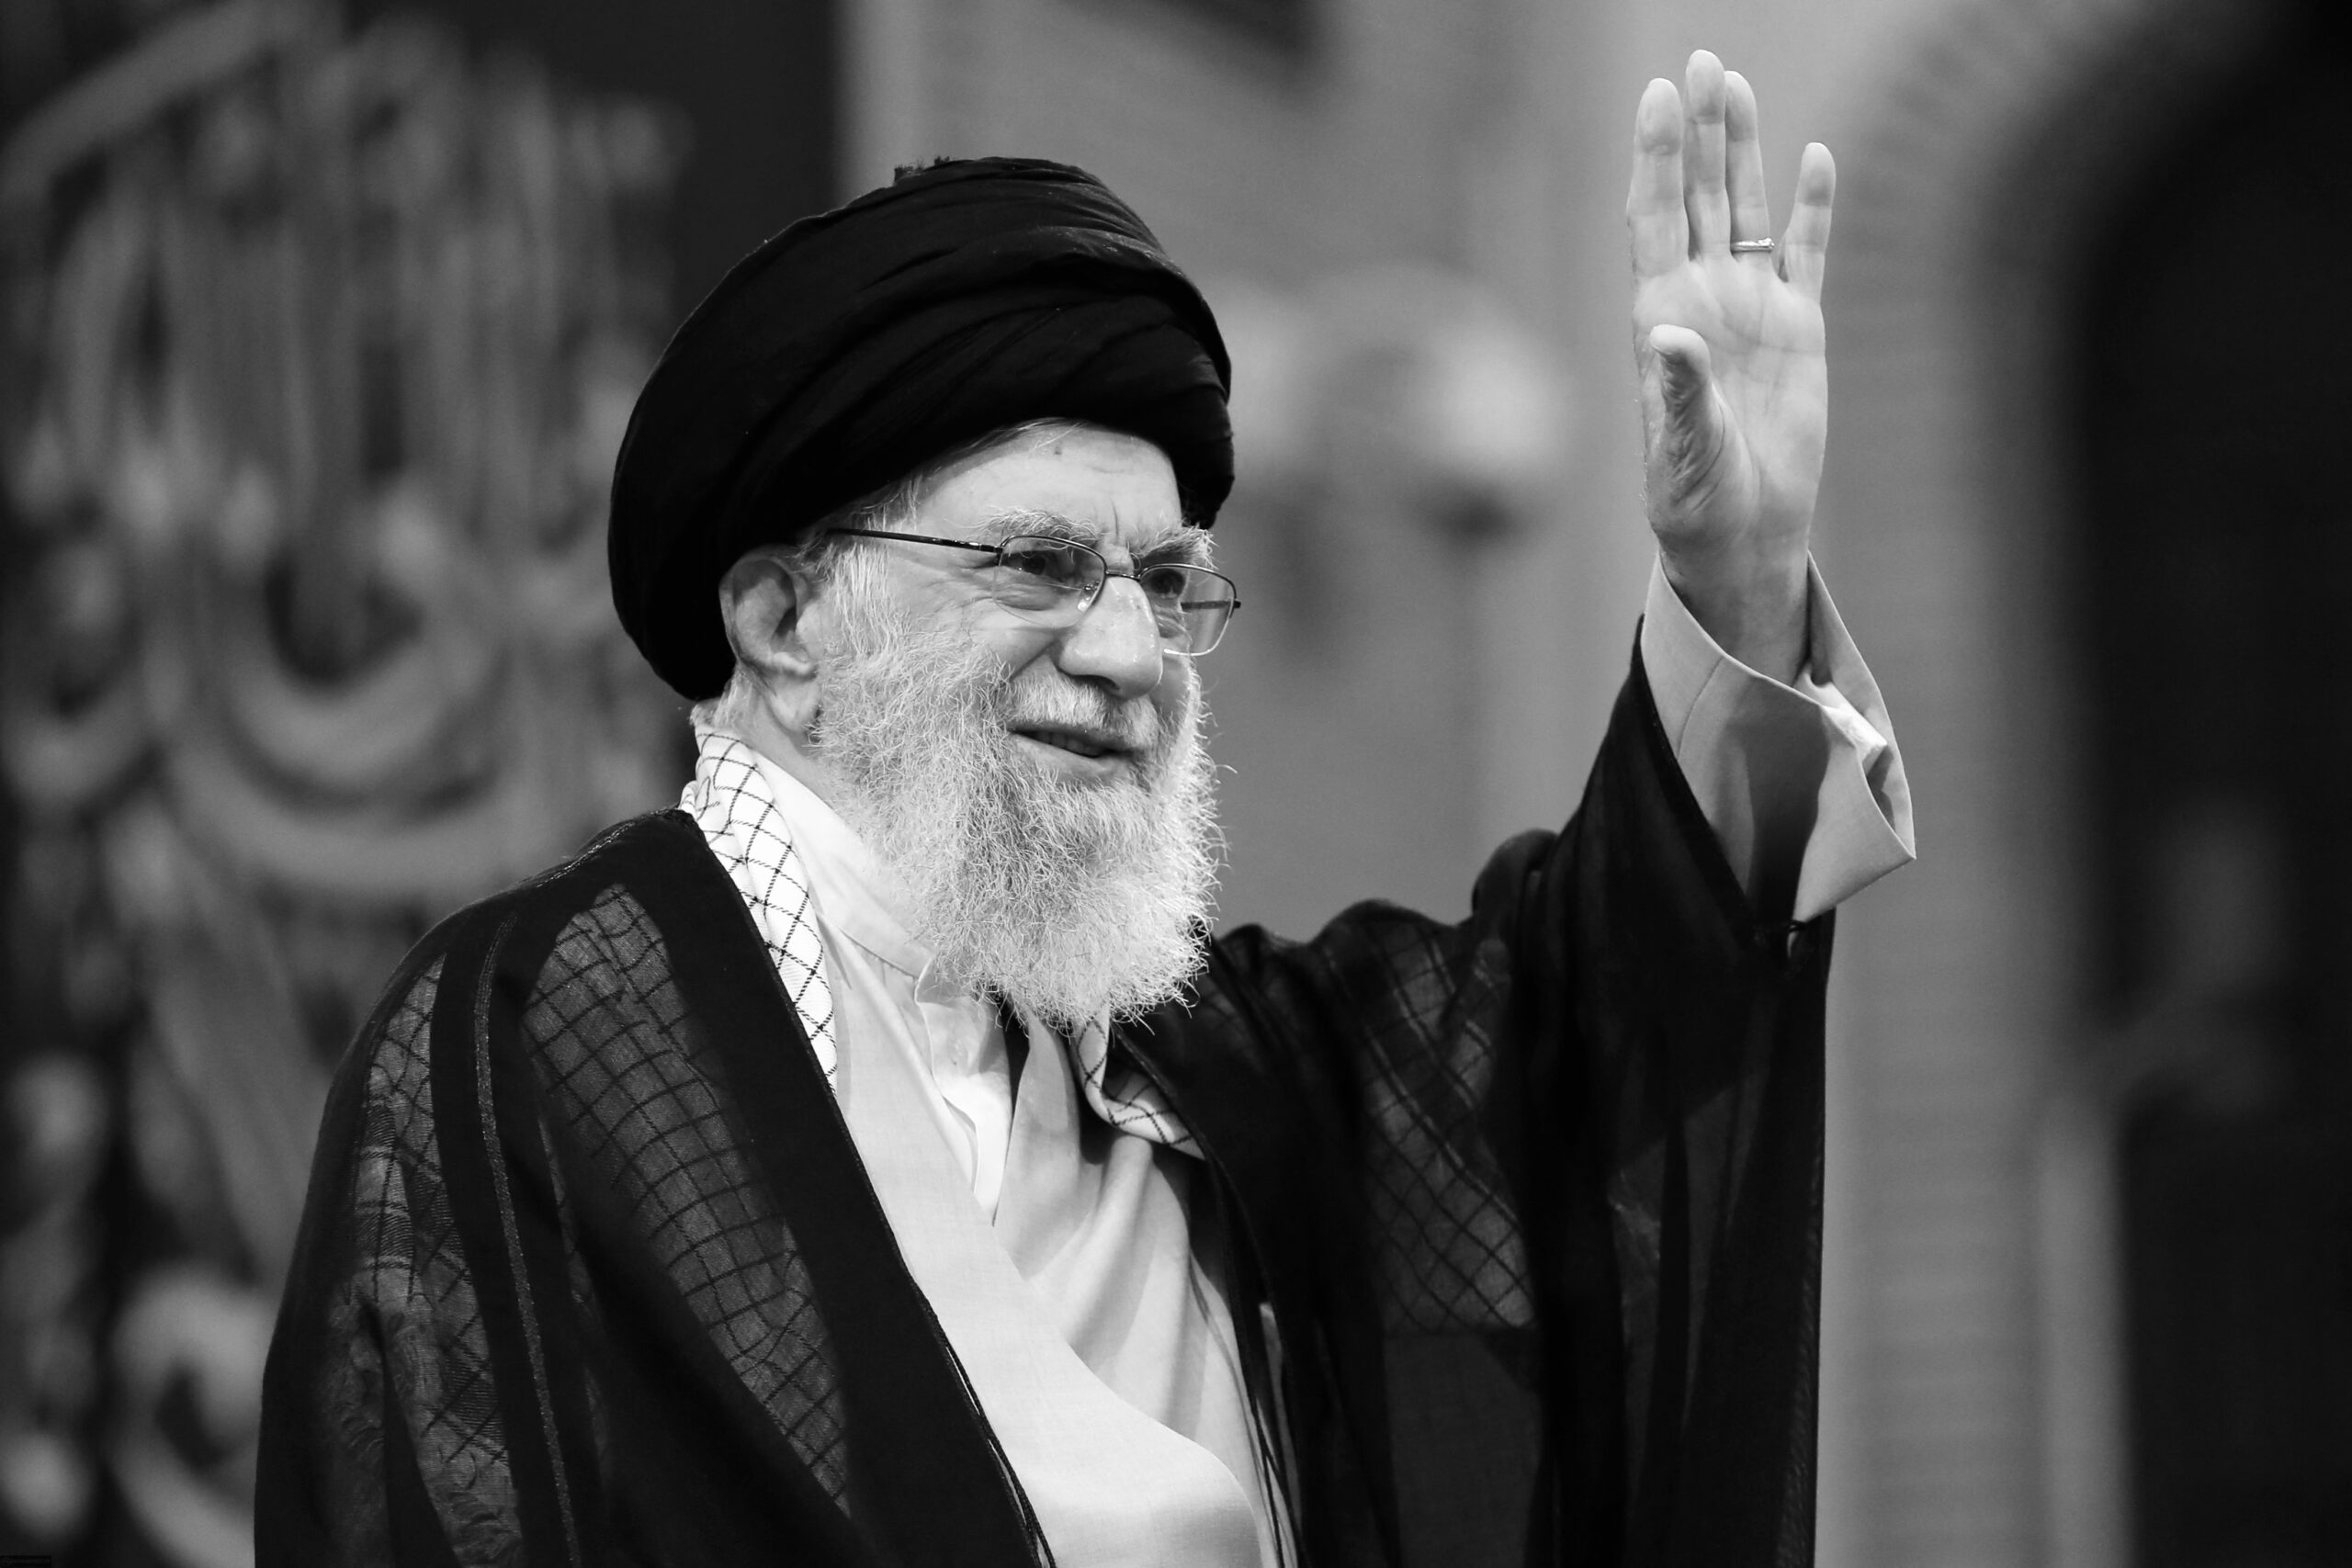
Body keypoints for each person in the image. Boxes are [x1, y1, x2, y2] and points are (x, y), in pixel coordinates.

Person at [258, 51, 1912, 1568]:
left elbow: (1608, 1018)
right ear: (781, 623)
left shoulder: (1222, 1081)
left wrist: (1736, 576)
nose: (1130, 654)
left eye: (1167, 583)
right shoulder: (543, 1040)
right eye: (1041, 566)